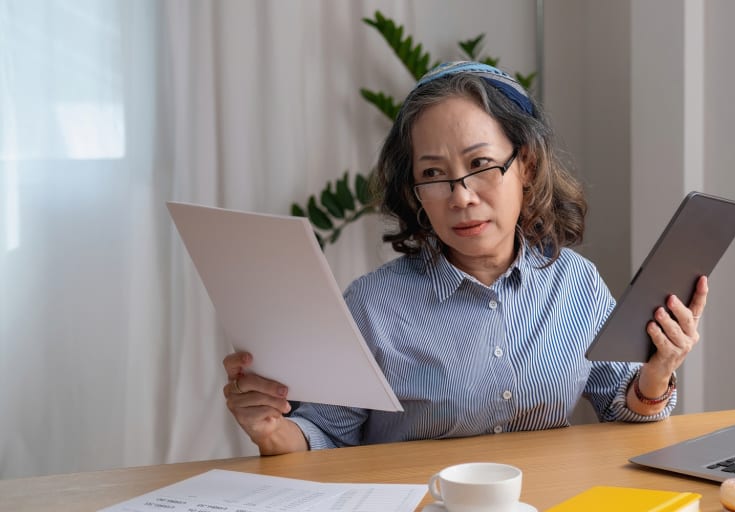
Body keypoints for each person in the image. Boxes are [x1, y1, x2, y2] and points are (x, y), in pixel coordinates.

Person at [222, 61, 709, 455]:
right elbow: (325, 439)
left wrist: (657, 371)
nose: (461, 196)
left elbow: (622, 409)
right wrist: (269, 430)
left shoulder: (574, 284)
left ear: (528, 166)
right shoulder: (372, 306)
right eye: (434, 173)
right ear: (415, 193)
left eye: (480, 166)